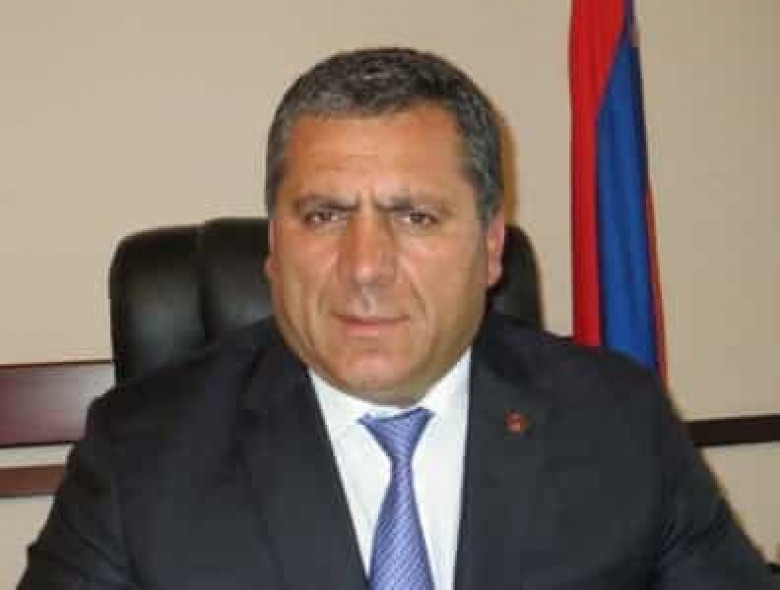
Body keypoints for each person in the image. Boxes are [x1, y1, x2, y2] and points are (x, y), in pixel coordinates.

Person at [20, 47, 775, 589]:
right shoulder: (141, 455)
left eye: (415, 217)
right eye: (324, 215)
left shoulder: (615, 420)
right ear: (274, 248)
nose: (365, 266)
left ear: (490, 248)